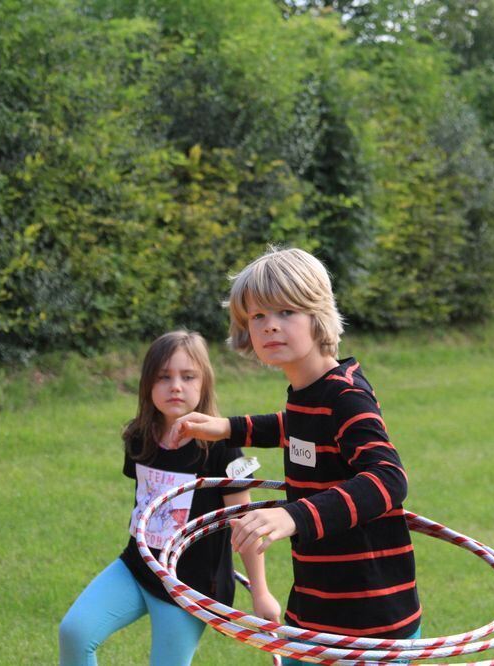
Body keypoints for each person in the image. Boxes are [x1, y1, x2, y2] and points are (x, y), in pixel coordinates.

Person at [169, 248, 421, 665]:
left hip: (371, 616)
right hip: (316, 603)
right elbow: (296, 428)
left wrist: (293, 516)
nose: (270, 327)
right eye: (257, 317)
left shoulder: (346, 394)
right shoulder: (309, 394)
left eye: (286, 312)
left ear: (317, 314)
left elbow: (388, 479)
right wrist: (229, 428)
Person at [59, 330, 280, 666]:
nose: (175, 386)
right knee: (74, 632)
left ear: (204, 384)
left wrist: (261, 593)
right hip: (138, 567)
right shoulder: (138, 437)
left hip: (188, 588)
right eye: (164, 377)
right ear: (148, 384)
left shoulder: (223, 447)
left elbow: (245, 522)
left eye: (187, 376)